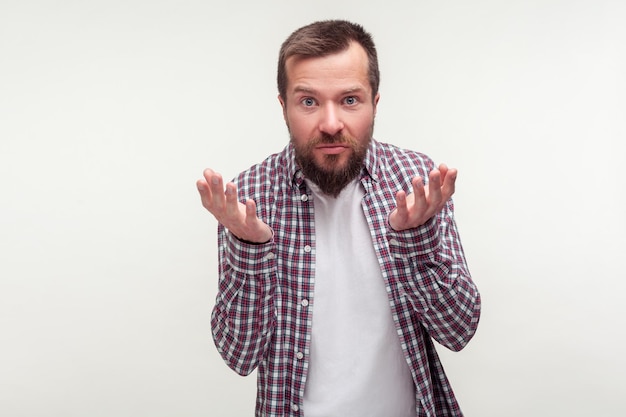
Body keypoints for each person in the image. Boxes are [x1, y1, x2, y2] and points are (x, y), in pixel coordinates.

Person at [197, 19, 481, 417]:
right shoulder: (251, 196)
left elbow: (459, 330)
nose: (330, 124)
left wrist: (416, 242)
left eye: (349, 100)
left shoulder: (417, 181)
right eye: (309, 101)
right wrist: (250, 251)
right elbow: (238, 355)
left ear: (374, 102)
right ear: (283, 106)